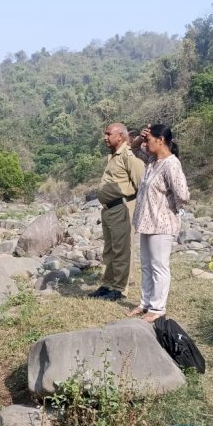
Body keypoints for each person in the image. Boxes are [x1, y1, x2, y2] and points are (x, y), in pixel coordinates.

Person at [128, 124, 190, 323]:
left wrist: (171, 207)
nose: (146, 144)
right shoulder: (153, 160)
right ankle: (145, 303)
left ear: (160, 140)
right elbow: (133, 149)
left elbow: (183, 194)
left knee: (159, 266)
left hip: (162, 223)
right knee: (146, 265)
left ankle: (157, 308)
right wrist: (141, 136)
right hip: (147, 222)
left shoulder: (171, 164)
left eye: (149, 140)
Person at [89, 123, 145, 301]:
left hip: (122, 208)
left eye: (108, 134)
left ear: (120, 136)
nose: (105, 137)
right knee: (110, 250)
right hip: (109, 209)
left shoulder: (128, 157)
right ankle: (107, 284)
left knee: (122, 250)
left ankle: (119, 289)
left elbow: (141, 185)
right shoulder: (114, 156)